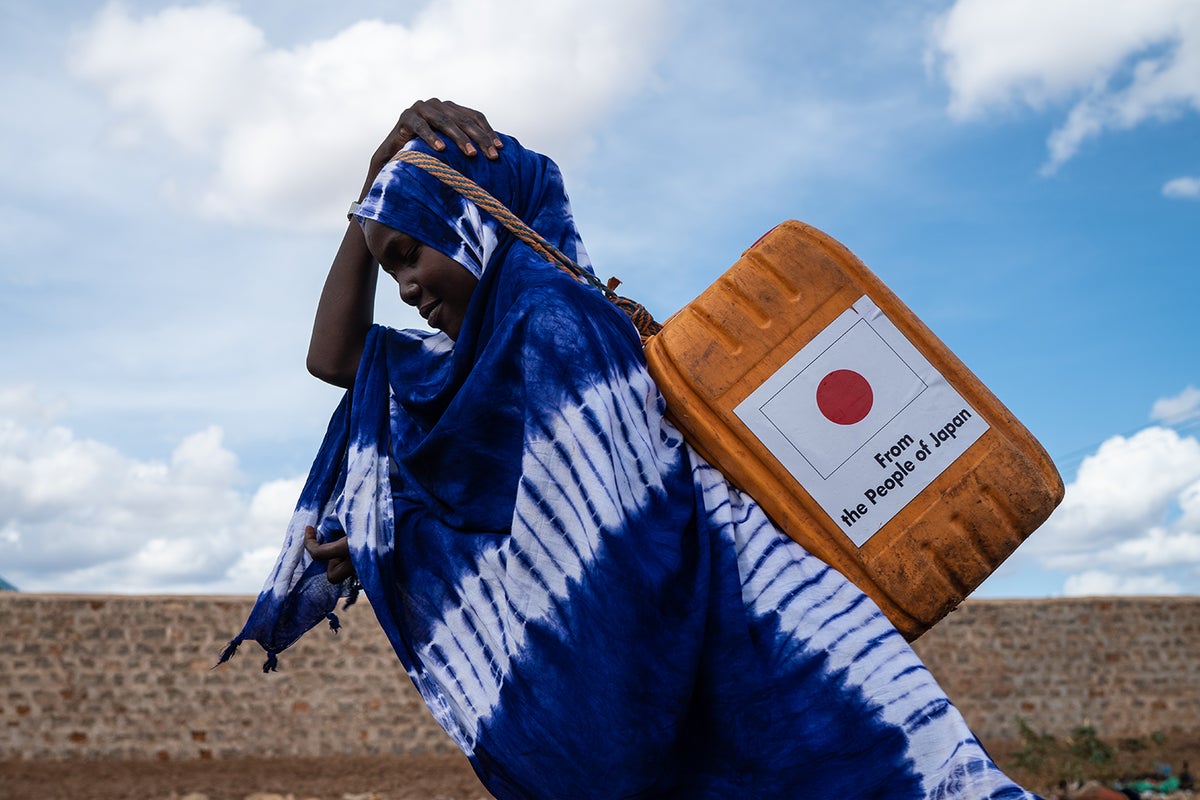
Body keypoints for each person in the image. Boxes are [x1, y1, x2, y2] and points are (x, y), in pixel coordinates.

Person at [224, 99, 1042, 799]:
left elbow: (597, 549)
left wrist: (394, 544)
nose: (405, 288)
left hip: (776, 660)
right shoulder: (471, 369)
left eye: (412, 252)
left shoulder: (558, 324)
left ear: (474, 220)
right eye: (388, 266)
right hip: (734, 681)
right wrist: (371, 194)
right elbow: (335, 362)